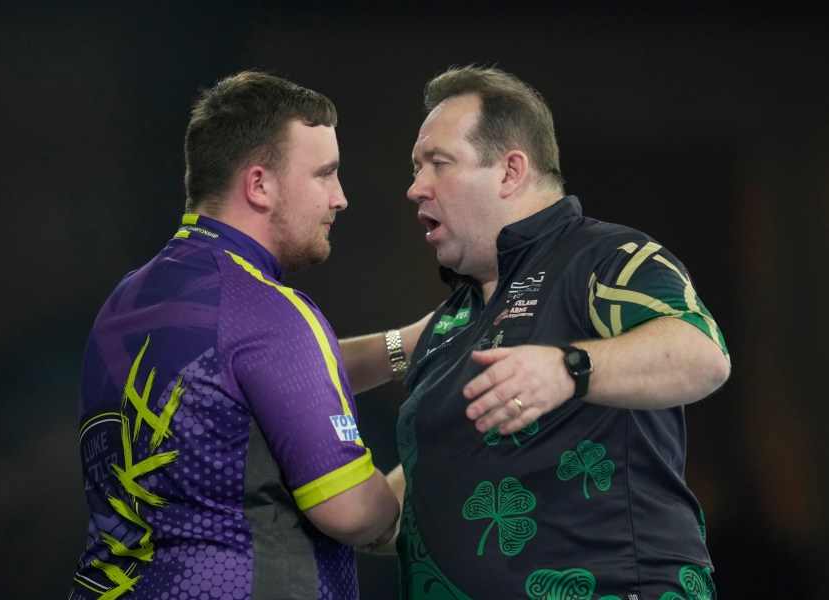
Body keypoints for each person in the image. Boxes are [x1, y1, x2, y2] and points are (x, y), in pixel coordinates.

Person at [359, 66, 731, 599]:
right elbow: (408, 505)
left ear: (510, 172)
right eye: (416, 168)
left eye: (438, 164)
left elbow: (702, 355)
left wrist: (567, 368)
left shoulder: (606, 257)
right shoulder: (453, 321)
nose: (415, 188)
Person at [68, 71, 414, 600]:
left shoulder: (124, 302)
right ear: (259, 185)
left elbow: (251, 384)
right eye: (325, 174)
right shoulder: (268, 310)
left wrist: (407, 346)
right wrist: (434, 456)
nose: (340, 198)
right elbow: (353, 514)